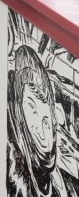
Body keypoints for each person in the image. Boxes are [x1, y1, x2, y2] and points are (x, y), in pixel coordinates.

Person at [7, 45, 79, 196]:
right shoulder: (16, 183)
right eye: (32, 108)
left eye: (46, 121)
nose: (41, 128)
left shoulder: (70, 187)